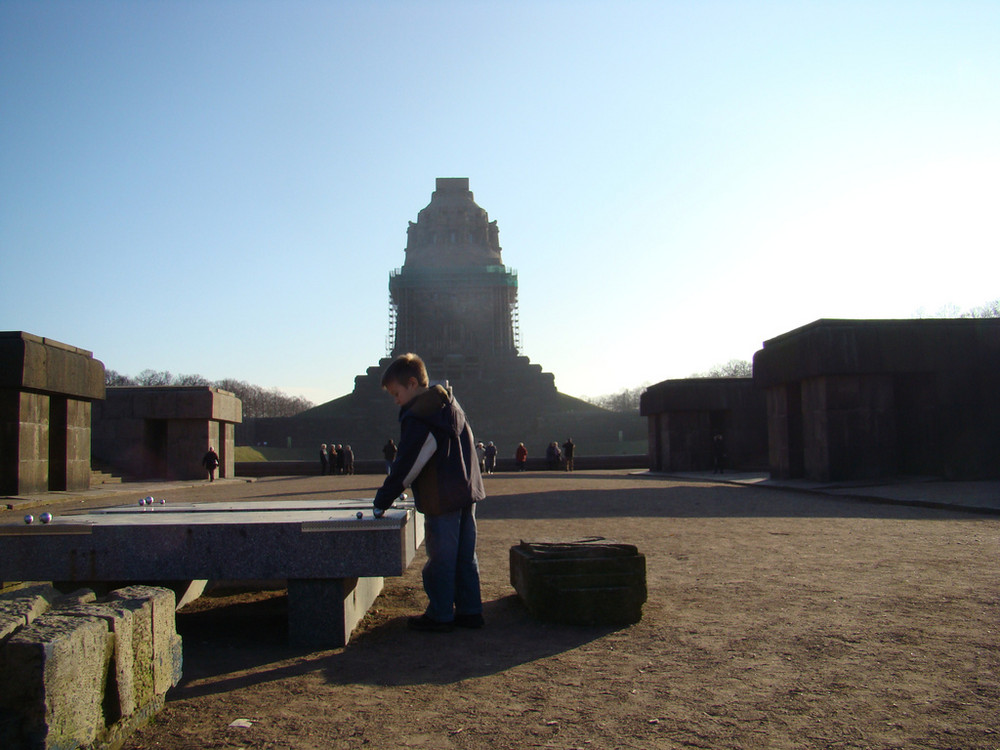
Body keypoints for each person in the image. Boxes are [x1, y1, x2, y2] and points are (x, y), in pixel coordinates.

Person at [372, 353, 485, 632]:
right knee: (464, 556)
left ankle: (440, 615)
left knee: (441, 559)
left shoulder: (421, 415)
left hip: (441, 496)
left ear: (412, 384)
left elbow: (409, 463)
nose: (396, 400)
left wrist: (382, 500)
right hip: (466, 492)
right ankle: (470, 612)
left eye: (396, 393)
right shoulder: (451, 404)